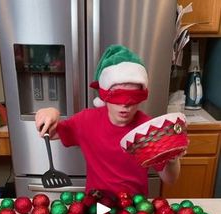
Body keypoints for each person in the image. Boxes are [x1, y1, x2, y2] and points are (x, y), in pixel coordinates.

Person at [35, 44, 182, 196]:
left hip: (136, 209)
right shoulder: (86, 122)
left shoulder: (148, 129)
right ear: (104, 95)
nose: (125, 105)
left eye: (133, 98)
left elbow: (170, 179)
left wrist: (172, 158)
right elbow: (50, 133)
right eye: (118, 97)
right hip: (98, 206)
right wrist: (49, 112)